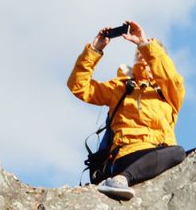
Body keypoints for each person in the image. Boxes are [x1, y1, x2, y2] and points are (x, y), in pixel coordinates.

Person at [67, 20, 186, 200]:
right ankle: (120, 180)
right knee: (177, 153)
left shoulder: (169, 92)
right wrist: (94, 50)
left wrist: (145, 44)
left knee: (180, 152)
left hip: (160, 154)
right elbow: (78, 86)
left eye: (149, 55)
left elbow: (170, 77)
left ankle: (123, 179)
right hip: (127, 154)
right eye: (140, 54)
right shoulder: (121, 87)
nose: (143, 57)